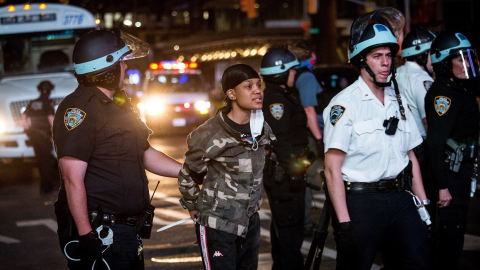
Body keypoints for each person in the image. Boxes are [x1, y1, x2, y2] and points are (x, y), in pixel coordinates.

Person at [53, 29, 182, 270]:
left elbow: (145, 153)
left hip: (127, 231)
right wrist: (86, 235)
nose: (126, 68)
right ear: (106, 67)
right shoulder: (79, 110)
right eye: (122, 62)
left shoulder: (120, 105)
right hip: (102, 233)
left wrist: (188, 172)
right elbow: (72, 179)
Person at [323, 8, 431, 270]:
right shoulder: (344, 105)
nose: (386, 62)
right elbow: (331, 168)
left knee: (420, 264)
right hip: (362, 203)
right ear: (362, 61)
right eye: (377, 56)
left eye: (389, 56)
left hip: (399, 197)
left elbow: (410, 156)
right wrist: (345, 223)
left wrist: (424, 205)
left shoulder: (398, 100)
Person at [178, 64, 274, 270]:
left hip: (250, 221)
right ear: (231, 93)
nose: (258, 90)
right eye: (248, 86)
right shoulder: (209, 133)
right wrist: (195, 209)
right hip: (218, 223)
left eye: (259, 85)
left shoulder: (261, 127)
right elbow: (187, 175)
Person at [425, 31, 480, 270]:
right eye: (460, 58)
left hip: (462, 171)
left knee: (455, 237)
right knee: (449, 239)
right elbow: (435, 144)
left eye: (467, 57)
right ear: (444, 63)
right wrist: (442, 187)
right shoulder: (443, 95)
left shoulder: (460, 89)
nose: (466, 63)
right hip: (450, 175)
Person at [261, 47, 309, 270]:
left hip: (284, 173)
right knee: (290, 231)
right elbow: (281, 138)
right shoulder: (276, 101)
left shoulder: (280, 95)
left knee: (282, 228)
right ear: (280, 73)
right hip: (285, 176)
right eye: (291, 71)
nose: (295, 74)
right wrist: (294, 171)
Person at [396, 28, 436, 215]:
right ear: (421, 55)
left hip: (400, 147)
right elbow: (428, 121)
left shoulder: (397, 73)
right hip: (420, 149)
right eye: (431, 54)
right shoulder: (422, 80)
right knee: (427, 204)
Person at [290, 40, 324, 235]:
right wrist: (319, 138)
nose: (314, 58)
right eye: (313, 54)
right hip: (308, 134)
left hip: (300, 133)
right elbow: (309, 109)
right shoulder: (307, 78)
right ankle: (305, 224)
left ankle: (302, 222)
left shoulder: (296, 76)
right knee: (310, 178)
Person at [21, 80, 57, 194]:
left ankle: (46, 184)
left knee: (41, 160)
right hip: (44, 135)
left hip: (33, 135)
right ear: (50, 90)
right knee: (48, 160)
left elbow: (23, 116)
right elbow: (51, 119)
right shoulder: (48, 102)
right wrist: (55, 133)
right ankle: (45, 187)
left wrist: (25, 129)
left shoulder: (32, 102)